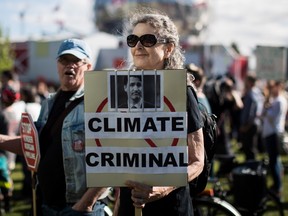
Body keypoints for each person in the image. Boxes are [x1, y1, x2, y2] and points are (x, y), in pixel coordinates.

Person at [0, 38, 108, 216]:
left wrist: (86, 204)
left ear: (88, 67)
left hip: (79, 208)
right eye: (64, 60)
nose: (70, 66)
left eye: (76, 61)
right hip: (47, 205)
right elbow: (33, 146)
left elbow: (113, 158)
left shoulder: (98, 104)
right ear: (57, 65)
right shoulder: (48, 104)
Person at [114, 8, 205, 216]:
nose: (137, 46)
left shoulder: (181, 90)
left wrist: (161, 189)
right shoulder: (123, 90)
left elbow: (197, 161)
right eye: (132, 40)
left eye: (147, 39)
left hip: (170, 207)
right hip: (131, 206)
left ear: (169, 49)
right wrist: (119, 206)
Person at [261, 80, 288, 199]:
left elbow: (271, 116)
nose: (271, 89)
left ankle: (277, 188)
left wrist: (267, 107)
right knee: (274, 160)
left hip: (274, 133)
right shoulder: (275, 100)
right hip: (270, 133)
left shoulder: (280, 101)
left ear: (278, 86)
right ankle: (277, 185)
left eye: (273, 87)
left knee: (274, 161)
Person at [239, 74, 264, 161]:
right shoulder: (257, 92)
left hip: (250, 125)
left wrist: (247, 126)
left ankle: (251, 167)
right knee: (251, 147)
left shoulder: (251, 94)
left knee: (250, 149)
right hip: (254, 124)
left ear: (249, 82)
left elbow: (253, 112)